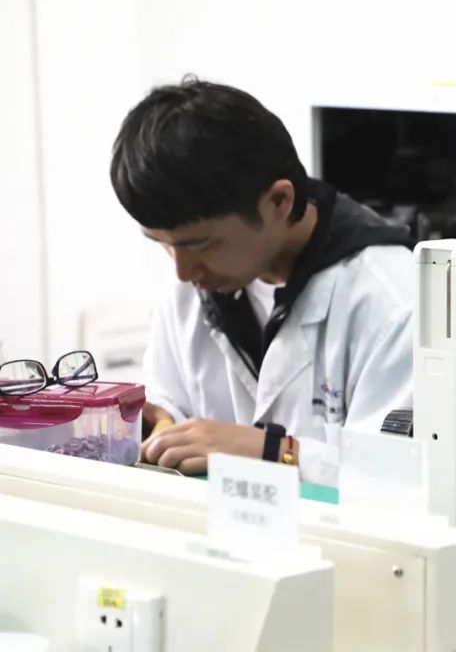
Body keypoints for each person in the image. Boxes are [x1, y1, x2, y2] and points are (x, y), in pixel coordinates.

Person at [110, 77, 415, 486]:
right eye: (162, 243)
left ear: (279, 201)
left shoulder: (393, 300)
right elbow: (172, 403)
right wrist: (159, 423)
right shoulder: (192, 286)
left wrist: (276, 452)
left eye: (201, 244)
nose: (182, 271)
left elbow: (404, 478)